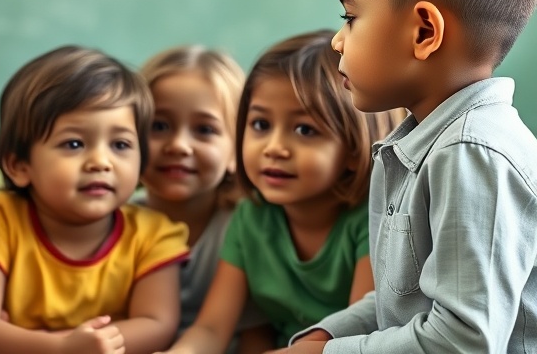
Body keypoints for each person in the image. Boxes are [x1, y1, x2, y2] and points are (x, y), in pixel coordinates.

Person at [284, 0, 537, 354]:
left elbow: (463, 341)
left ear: (424, 31)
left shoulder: (472, 153)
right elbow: (404, 302)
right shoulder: (424, 143)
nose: (338, 42)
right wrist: (325, 336)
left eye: (351, 17)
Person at [0, 45, 272, 351]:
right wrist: (62, 348)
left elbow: (162, 325)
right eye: (74, 144)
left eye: (120, 145)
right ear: (19, 165)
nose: (101, 161)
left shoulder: (165, 233)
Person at [159, 30, 402, 353]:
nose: (274, 148)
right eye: (260, 125)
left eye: (305, 130)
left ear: (354, 150)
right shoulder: (250, 218)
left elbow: (353, 335)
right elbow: (211, 328)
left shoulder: (369, 221)